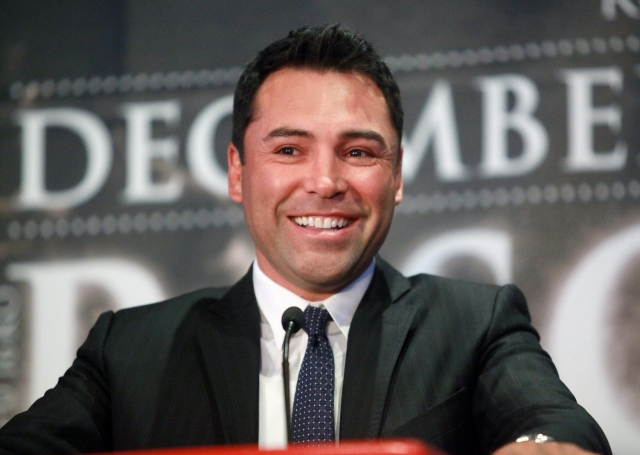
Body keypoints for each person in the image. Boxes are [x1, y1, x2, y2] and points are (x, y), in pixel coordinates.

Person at [0, 24, 610, 455]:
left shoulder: (474, 324)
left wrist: (542, 448)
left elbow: (554, 424)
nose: (325, 181)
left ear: (397, 176)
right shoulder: (130, 351)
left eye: (359, 152)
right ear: (238, 172)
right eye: (289, 150)